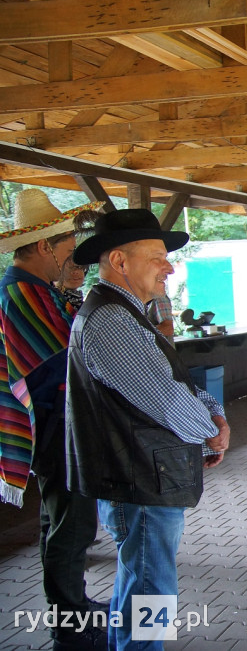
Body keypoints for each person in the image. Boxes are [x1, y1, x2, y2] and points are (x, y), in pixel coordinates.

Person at [64, 208, 230, 651]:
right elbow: (166, 397)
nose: (169, 266)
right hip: (138, 478)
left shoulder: (124, 313)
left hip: (141, 476)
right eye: (158, 256)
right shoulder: (112, 321)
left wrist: (212, 412)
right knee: (150, 590)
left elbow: (172, 382)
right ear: (120, 261)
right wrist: (211, 429)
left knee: (138, 581)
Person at [0, 189, 105, 651]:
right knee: (73, 523)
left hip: (54, 423)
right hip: (55, 425)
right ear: (45, 246)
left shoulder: (36, 290)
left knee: (59, 520)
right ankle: (70, 624)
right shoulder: (22, 292)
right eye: (66, 243)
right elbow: (64, 359)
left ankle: (73, 606)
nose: (71, 253)